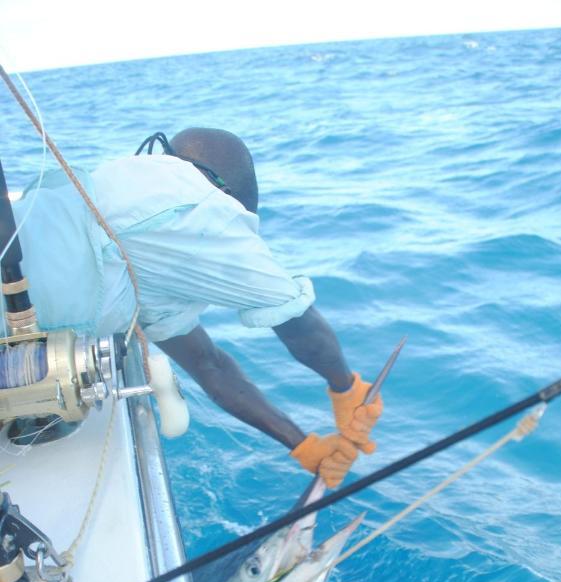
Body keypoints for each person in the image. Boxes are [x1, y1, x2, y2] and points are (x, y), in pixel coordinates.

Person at [13, 127, 382, 486]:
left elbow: (210, 364)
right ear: (227, 196)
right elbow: (299, 325)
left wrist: (302, 445)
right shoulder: (199, 206)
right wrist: (345, 388)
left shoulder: (122, 189)